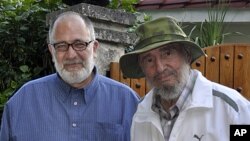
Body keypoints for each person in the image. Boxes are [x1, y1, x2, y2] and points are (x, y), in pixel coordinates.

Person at [0, 11, 139, 141]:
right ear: (51, 50)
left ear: (94, 48)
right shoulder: (22, 102)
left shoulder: (126, 102)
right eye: (61, 46)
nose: (71, 55)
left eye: (79, 44)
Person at [119, 16, 250, 141]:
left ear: (187, 55)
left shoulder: (232, 108)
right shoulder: (141, 113)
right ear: (142, 68)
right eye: (149, 60)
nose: (159, 68)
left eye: (167, 53)